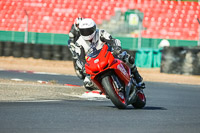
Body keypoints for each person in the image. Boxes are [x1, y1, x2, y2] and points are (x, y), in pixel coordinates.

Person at [74, 18, 145, 90]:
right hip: (94, 63)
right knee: (87, 83)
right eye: (84, 31)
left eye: (89, 30)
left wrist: (117, 48)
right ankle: (105, 90)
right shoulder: (79, 43)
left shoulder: (100, 33)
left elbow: (113, 40)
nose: (87, 33)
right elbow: (80, 58)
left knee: (126, 57)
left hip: (108, 55)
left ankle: (138, 78)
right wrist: (84, 67)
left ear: (94, 28)